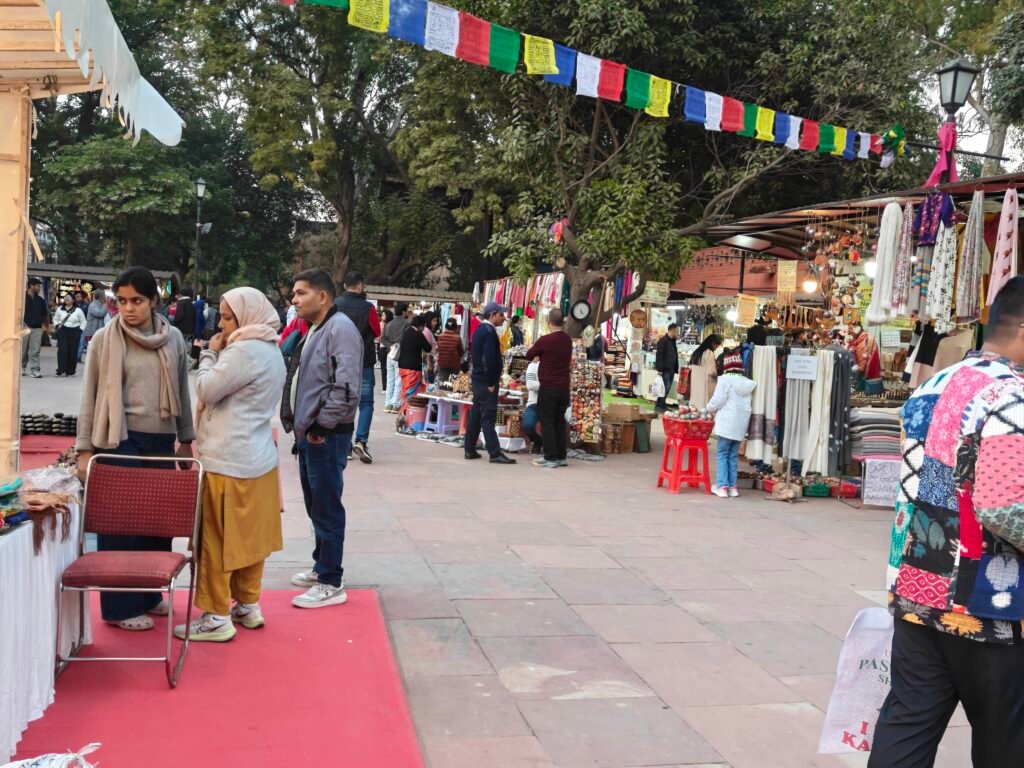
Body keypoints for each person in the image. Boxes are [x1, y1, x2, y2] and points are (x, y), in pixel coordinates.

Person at [869, 277, 1024, 767]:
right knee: (1006, 740)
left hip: (917, 587)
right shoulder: (1012, 395)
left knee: (908, 724)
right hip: (989, 608)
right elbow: (1004, 508)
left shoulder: (936, 382)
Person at [75, 266, 195, 631]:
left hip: (160, 439)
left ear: (155, 301)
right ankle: (120, 607)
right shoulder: (104, 339)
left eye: (137, 301)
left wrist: (186, 439)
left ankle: (149, 593)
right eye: (122, 301)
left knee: (156, 521)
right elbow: (90, 396)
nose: (128, 309)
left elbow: (183, 388)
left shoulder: (172, 338)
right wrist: (83, 449)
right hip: (118, 439)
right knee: (121, 524)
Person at [173, 288, 286, 642]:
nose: (220, 324)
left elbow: (207, 390)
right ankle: (247, 605)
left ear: (246, 316)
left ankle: (216, 615)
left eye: (226, 317)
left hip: (228, 459)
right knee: (250, 539)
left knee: (216, 540)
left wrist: (209, 355)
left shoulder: (244, 351)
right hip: (257, 458)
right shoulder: (270, 349)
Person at [280, 269, 362, 609]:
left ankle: (331, 580)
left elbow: (346, 386)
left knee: (327, 506)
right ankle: (321, 565)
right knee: (317, 504)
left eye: (300, 293)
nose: (294, 300)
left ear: (323, 296)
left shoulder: (340, 329)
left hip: (325, 436)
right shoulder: (317, 327)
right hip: (311, 435)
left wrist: (321, 428)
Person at [334, 272, 382, 464]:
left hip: (340, 360)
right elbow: (377, 331)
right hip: (364, 360)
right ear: (361, 285)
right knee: (366, 403)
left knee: (344, 400)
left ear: (345, 285)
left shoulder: (335, 304)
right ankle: (361, 440)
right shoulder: (368, 308)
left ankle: (345, 446)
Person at [466, 303, 515, 464]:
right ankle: (494, 453)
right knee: (488, 416)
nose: (504, 318)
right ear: (492, 315)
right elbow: (488, 360)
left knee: (476, 414)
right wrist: (491, 381)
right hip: (485, 382)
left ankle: (469, 448)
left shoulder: (481, 330)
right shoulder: (488, 332)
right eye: (501, 315)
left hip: (479, 379)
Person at [525, 308, 573, 468]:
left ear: (549, 322)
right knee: (559, 421)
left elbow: (529, 354)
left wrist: (540, 355)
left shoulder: (545, 340)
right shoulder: (567, 340)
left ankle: (550, 457)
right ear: (562, 322)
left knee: (547, 422)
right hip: (564, 387)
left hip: (549, 386)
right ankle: (561, 456)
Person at [706, 350, 755, 498]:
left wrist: (709, 408)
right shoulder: (747, 383)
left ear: (726, 366)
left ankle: (722, 486)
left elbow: (718, 400)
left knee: (722, 454)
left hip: (727, 423)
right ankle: (733, 487)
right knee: (732, 456)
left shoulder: (725, 380)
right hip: (740, 424)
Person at [397, 314, 432, 420]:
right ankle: (405, 416)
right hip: (413, 368)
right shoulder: (418, 334)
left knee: (405, 389)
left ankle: (404, 414)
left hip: (402, 366)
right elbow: (428, 348)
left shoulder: (406, 332)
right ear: (421, 326)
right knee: (410, 394)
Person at [382, 302, 411, 413]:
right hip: (401, 355)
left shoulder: (388, 324)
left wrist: (391, 346)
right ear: (403, 311)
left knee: (390, 380)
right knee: (399, 381)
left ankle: (388, 404)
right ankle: (396, 404)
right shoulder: (407, 324)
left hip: (390, 354)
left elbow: (382, 339)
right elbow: (407, 339)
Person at [53, 294, 86, 377]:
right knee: (62, 350)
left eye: (69, 298)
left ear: (73, 300)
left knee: (72, 351)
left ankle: (70, 370)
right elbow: (55, 319)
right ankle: (61, 369)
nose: (66, 299)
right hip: (63, 330)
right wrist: (57, 325)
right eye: (65, 297)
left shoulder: (78, 310)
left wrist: (80, 330)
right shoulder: (60, 309)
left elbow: (83, 321)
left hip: (75, 331)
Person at [21, 277, 48, 378]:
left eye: (40, 286)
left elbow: (45, 313)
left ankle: (35, 370)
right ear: (31, 286)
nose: (39, 288)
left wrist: (41, 321)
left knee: (35, 350)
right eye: (37, 286)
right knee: (23, 350)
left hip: (37, 328)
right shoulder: (22, 298)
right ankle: (22, 367)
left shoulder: (40, 300)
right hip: (24, 327)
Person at [688, 334, 723, 409]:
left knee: (695, 405)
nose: (716, 348)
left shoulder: (697, 352)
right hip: (706, 384)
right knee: (704, 407)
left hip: (696, 384)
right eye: (716, 346)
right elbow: (712, 372)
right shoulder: (709, 353)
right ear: (713, 343)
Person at [654, 324, 680, 412]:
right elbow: (659, 355)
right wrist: (660, 369)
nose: (677, 332)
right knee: (664, 387)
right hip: (665, 369)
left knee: (667, 388)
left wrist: (676, 367)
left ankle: (663, 404)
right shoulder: (663, 341)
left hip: (671, 369)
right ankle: (659, 405)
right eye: (677, 331)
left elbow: (674, 355)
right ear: (672, 330)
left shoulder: (673, 341)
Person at [522, 359, 543, 454]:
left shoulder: (555, 365)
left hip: (550, 404)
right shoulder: (533, 366)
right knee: (527, 426)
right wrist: (550, 385)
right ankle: (538, 441)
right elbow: (530, 385)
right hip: (534, 403)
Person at [81, 291, 109, 361]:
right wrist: (106, 305)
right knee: (92, 349)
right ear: (101, 297)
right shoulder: (93, 305)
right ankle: (91, 363)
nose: (106, 297)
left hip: (96, 331)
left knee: (97, 349)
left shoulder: (100, 304)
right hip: (91, 332)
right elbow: (99, 314)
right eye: (105, 295)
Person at [436, 317, 465, 383]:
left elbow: (439, 349)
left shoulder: (440, 336)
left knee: (442, 384)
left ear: (446, 326)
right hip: (454, 365)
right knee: (455, 384)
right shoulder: (457, 338)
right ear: (455, 327)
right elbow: (461, 352)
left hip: (442, 364)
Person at [377, 309, 394, 393]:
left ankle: (389, 387)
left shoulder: (390, 325)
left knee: (390, 368)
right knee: (384, 368)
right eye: (382, 315)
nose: (382, 317)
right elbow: (378, 337)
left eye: (384, 315)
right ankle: (385, 387)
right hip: (383, 348)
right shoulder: (381, 324)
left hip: (389, 348)